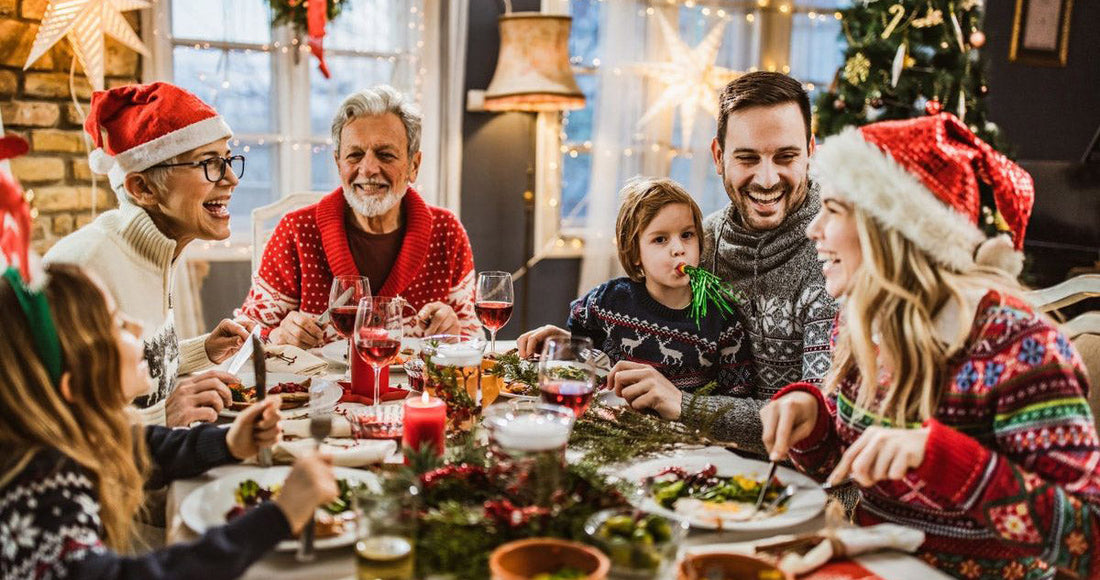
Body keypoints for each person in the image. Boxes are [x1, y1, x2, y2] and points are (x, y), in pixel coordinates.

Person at [761, 114, 1100, 579]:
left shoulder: (1021, 350)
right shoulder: (863, 321)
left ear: (894, 230)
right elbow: (842, 468)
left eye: (834, 210)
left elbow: (1089, 540)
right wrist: (811, 419)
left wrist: (944, 459)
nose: (813, 229)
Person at [0, 262, 338, 579]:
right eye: (118, 324)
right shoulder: (40, 493)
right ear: (75, 385)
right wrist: (278, 516)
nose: (137, 327)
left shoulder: (68, 437)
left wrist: (227, 442)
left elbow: (141, 446)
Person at [45, 82, 251, 427]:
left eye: (228, 160)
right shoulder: (82, 269)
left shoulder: (158, 250)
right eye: (210, 163)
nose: (231, 178)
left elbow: (129, 375)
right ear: (142, 188)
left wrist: (203, 351)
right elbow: (50, 423)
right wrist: (161, 416)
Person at [235, 85, 479, 347]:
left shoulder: (447, 231)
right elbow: (242, 336)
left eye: (386, 155)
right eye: (355, 155)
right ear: (338, 163)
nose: (369, 168)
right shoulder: (297, 230)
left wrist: (455, 332)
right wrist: (274, 336)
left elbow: (474, 336)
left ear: (413, 166)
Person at [518, 177, 753, 414]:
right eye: (660, 239)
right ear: (634, 253)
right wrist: (565, 344)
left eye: (687, 235)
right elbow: (590, 356)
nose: (679, 249)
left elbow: (734, 399)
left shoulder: (722, 322)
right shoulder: (607, 300)